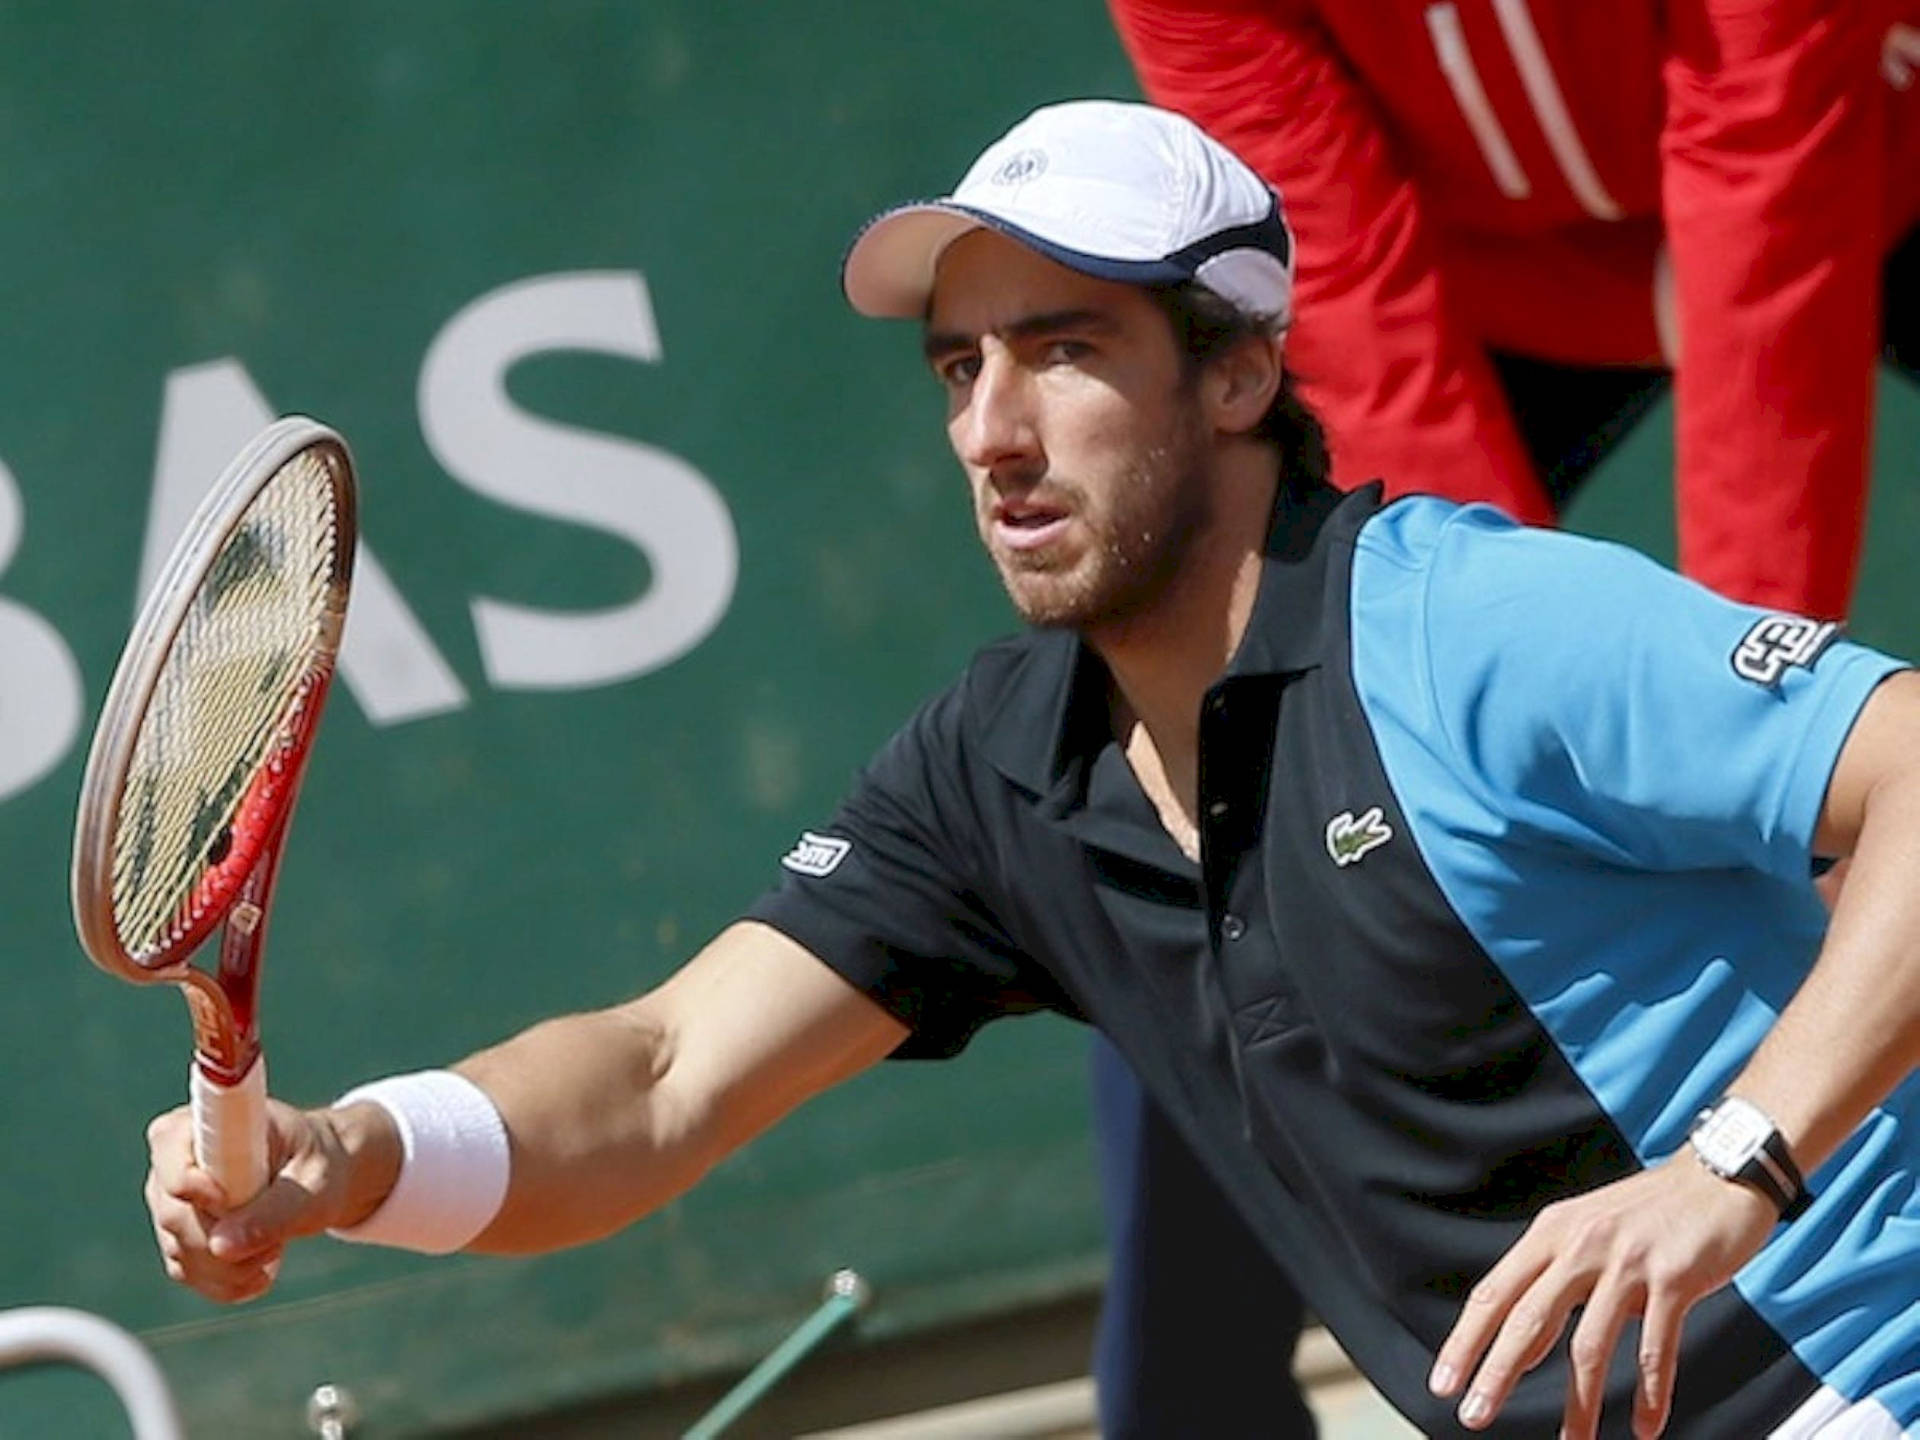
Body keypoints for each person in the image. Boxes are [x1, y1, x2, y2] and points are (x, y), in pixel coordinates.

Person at [145, 101, 1920, 1438]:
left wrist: (1733, 1164)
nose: (990, 431)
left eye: (1066, 353)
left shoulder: (1467, 624)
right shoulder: (1002, 772)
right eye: (959, 367)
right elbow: (663, 1074)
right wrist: (349, 1152)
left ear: (1236, 377)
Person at [1106, 0, 1920, 623]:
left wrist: (1748, 700)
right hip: (1497, 291)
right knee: (1265, 601)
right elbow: (1342, 286)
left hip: (1872, 153)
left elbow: (1765, 187)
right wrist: (1520, 683)